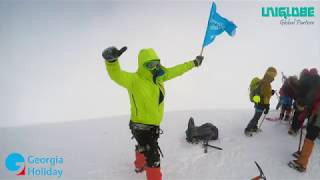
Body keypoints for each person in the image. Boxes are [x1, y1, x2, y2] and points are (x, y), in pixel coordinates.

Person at [102, 46, 204, 180]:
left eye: (156, 63)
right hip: (140, 126)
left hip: (153, 127)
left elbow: (177, 70)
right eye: (149, 64)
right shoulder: (134, 80)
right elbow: (116, 75)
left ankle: (139, 166)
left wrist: (193, 63)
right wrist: (112, 62)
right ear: (142, 65)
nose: (154, 67)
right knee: (153, 156)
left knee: (144, 147)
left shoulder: (160, 77)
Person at [289, 68, 320, 172]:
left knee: (310, 136)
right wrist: (304, 115)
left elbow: (312, 100)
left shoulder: (315, 83)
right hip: (316, 113)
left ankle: (302, 164)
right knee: (310, 135)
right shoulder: (315, 84)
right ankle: (302, 156)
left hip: (318, 115)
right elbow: (312, 102)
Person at [245, 67, 277, 136]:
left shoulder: (264, 81)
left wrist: (271, 93)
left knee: (257, 116)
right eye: (274, 75)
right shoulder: (266, 83)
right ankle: (248, 129)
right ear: (272, 75)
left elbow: (265, 94)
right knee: (256, 117)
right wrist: (267, 106)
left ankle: (254, 127)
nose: (274, 77)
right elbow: (265, 96)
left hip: (258, 102)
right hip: (261, 103)